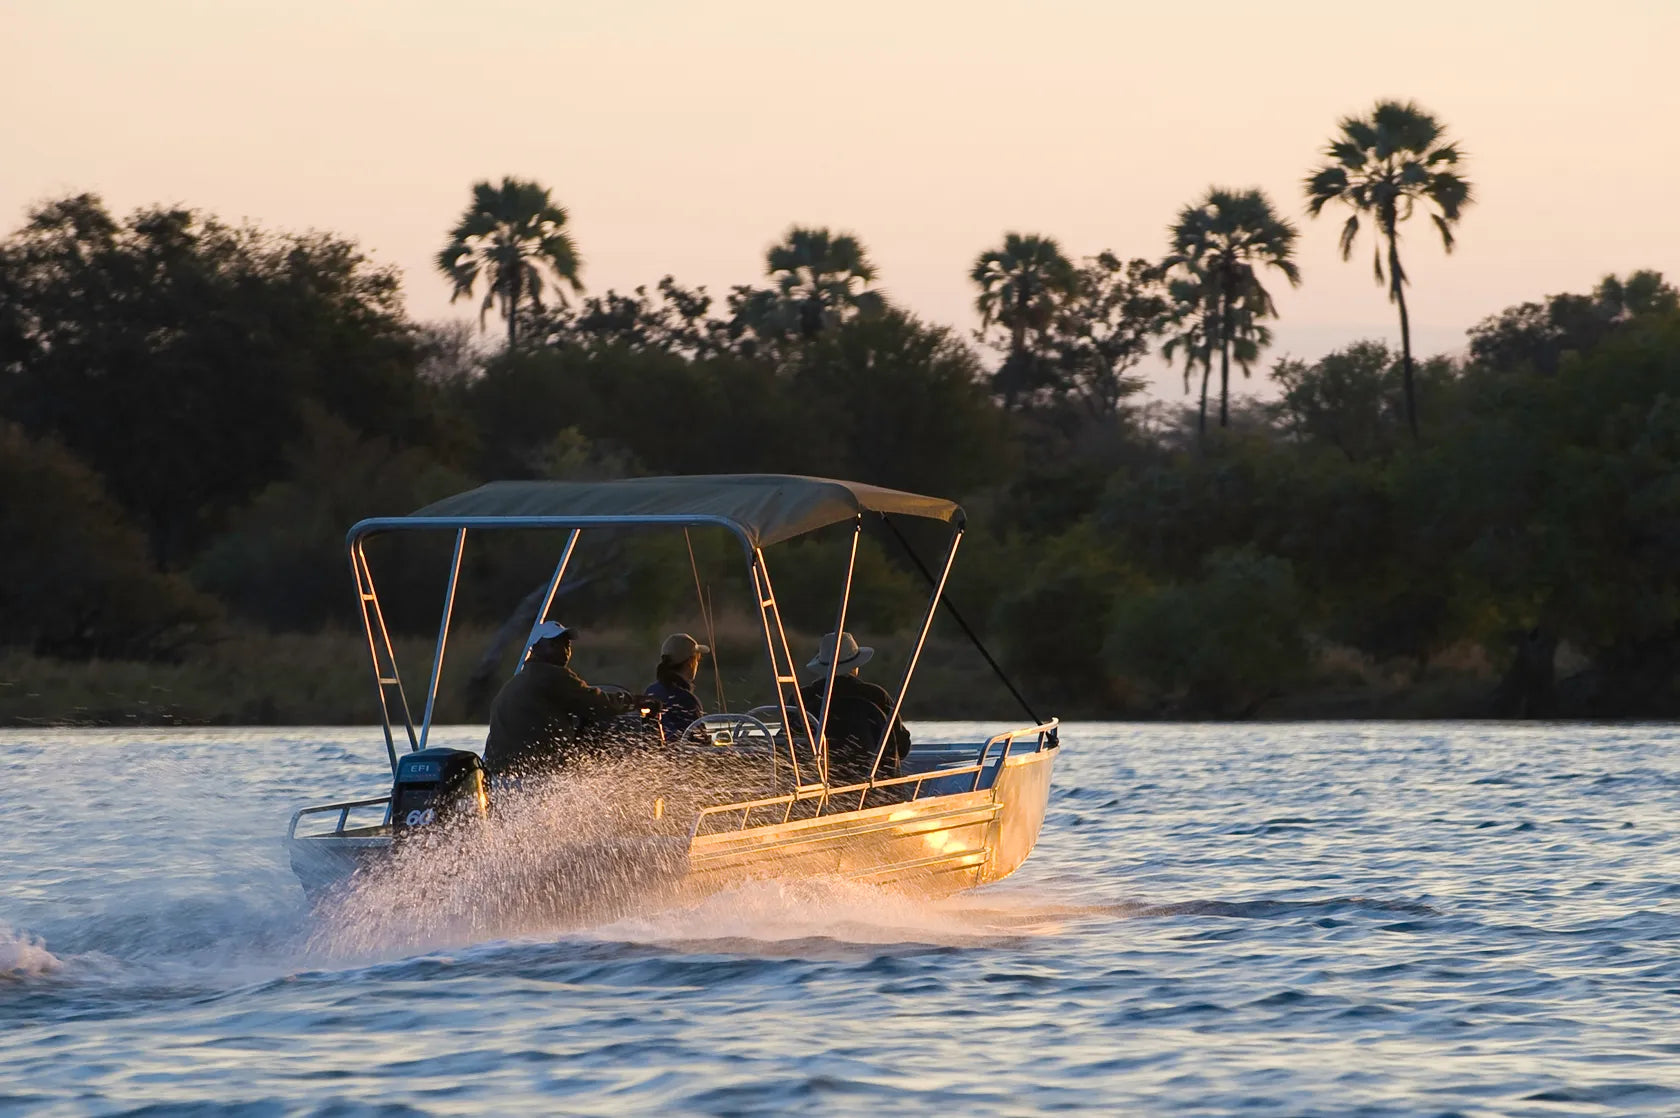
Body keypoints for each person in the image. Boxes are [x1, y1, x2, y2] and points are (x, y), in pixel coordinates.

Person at [482, 621, 654, 778]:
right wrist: (633, 701)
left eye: (567, 644)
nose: (564, 649)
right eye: (554, 644)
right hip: (531, 775)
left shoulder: (518, 681)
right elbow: (597, 703)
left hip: (500, 774)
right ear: (536, 649)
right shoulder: (551, 675)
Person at [798, 631, 911, 784]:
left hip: (811, 787)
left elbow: (786, 746)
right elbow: (902, 747)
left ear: (821, 666)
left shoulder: (802, 697)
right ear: (855, 666)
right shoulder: (875, 695)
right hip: (873, 789)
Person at [645, 632, 708, 741]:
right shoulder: (687, 700)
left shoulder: (650, 692)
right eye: (697, 660)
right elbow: (700, 745)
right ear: (690, 662)